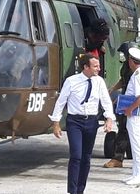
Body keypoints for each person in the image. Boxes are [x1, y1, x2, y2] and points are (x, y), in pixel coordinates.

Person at [48, 53, 115, 194]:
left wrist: (109, 119)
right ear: (86, 67)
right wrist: (56, 122)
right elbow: (61, 102)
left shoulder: (99, 82)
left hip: (91, 121)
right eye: (95, 66)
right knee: (76, 155)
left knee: (86, 158)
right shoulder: (71, 81)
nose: (99, 68)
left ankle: (80, 189)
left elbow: (106, 101)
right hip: (75, 122)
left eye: (98, 66)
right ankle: (72, 190)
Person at [103, 41, 138, 168]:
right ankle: (119, 158)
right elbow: (123, 81)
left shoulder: (139, 70)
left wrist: (121, 100)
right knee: (123, 129)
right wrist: (112, 89)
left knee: (126, 130)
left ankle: (119, 158)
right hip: (125, 99)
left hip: (132, 102)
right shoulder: (127, 67)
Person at [123, 47, 140, 185]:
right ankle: (136, 173)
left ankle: (139, 175)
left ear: (131, 61)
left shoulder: (139, 76)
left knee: (137, 145)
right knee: (136, 144)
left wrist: (129, 109)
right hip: (139, 113)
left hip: (137, 114)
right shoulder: (139, 74)